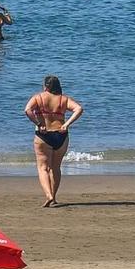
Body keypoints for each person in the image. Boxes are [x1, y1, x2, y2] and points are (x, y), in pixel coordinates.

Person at [25, 75, 83, 208]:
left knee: (42, 168)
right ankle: (54, 197)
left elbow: (27, 110)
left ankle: (48, 195)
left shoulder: (38, 98)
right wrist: (67, 124)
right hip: (61, 136)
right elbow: (79, 109)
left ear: (45, 86)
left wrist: (38, 123)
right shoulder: (63, 99)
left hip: (43, 136)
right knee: (55, 168)